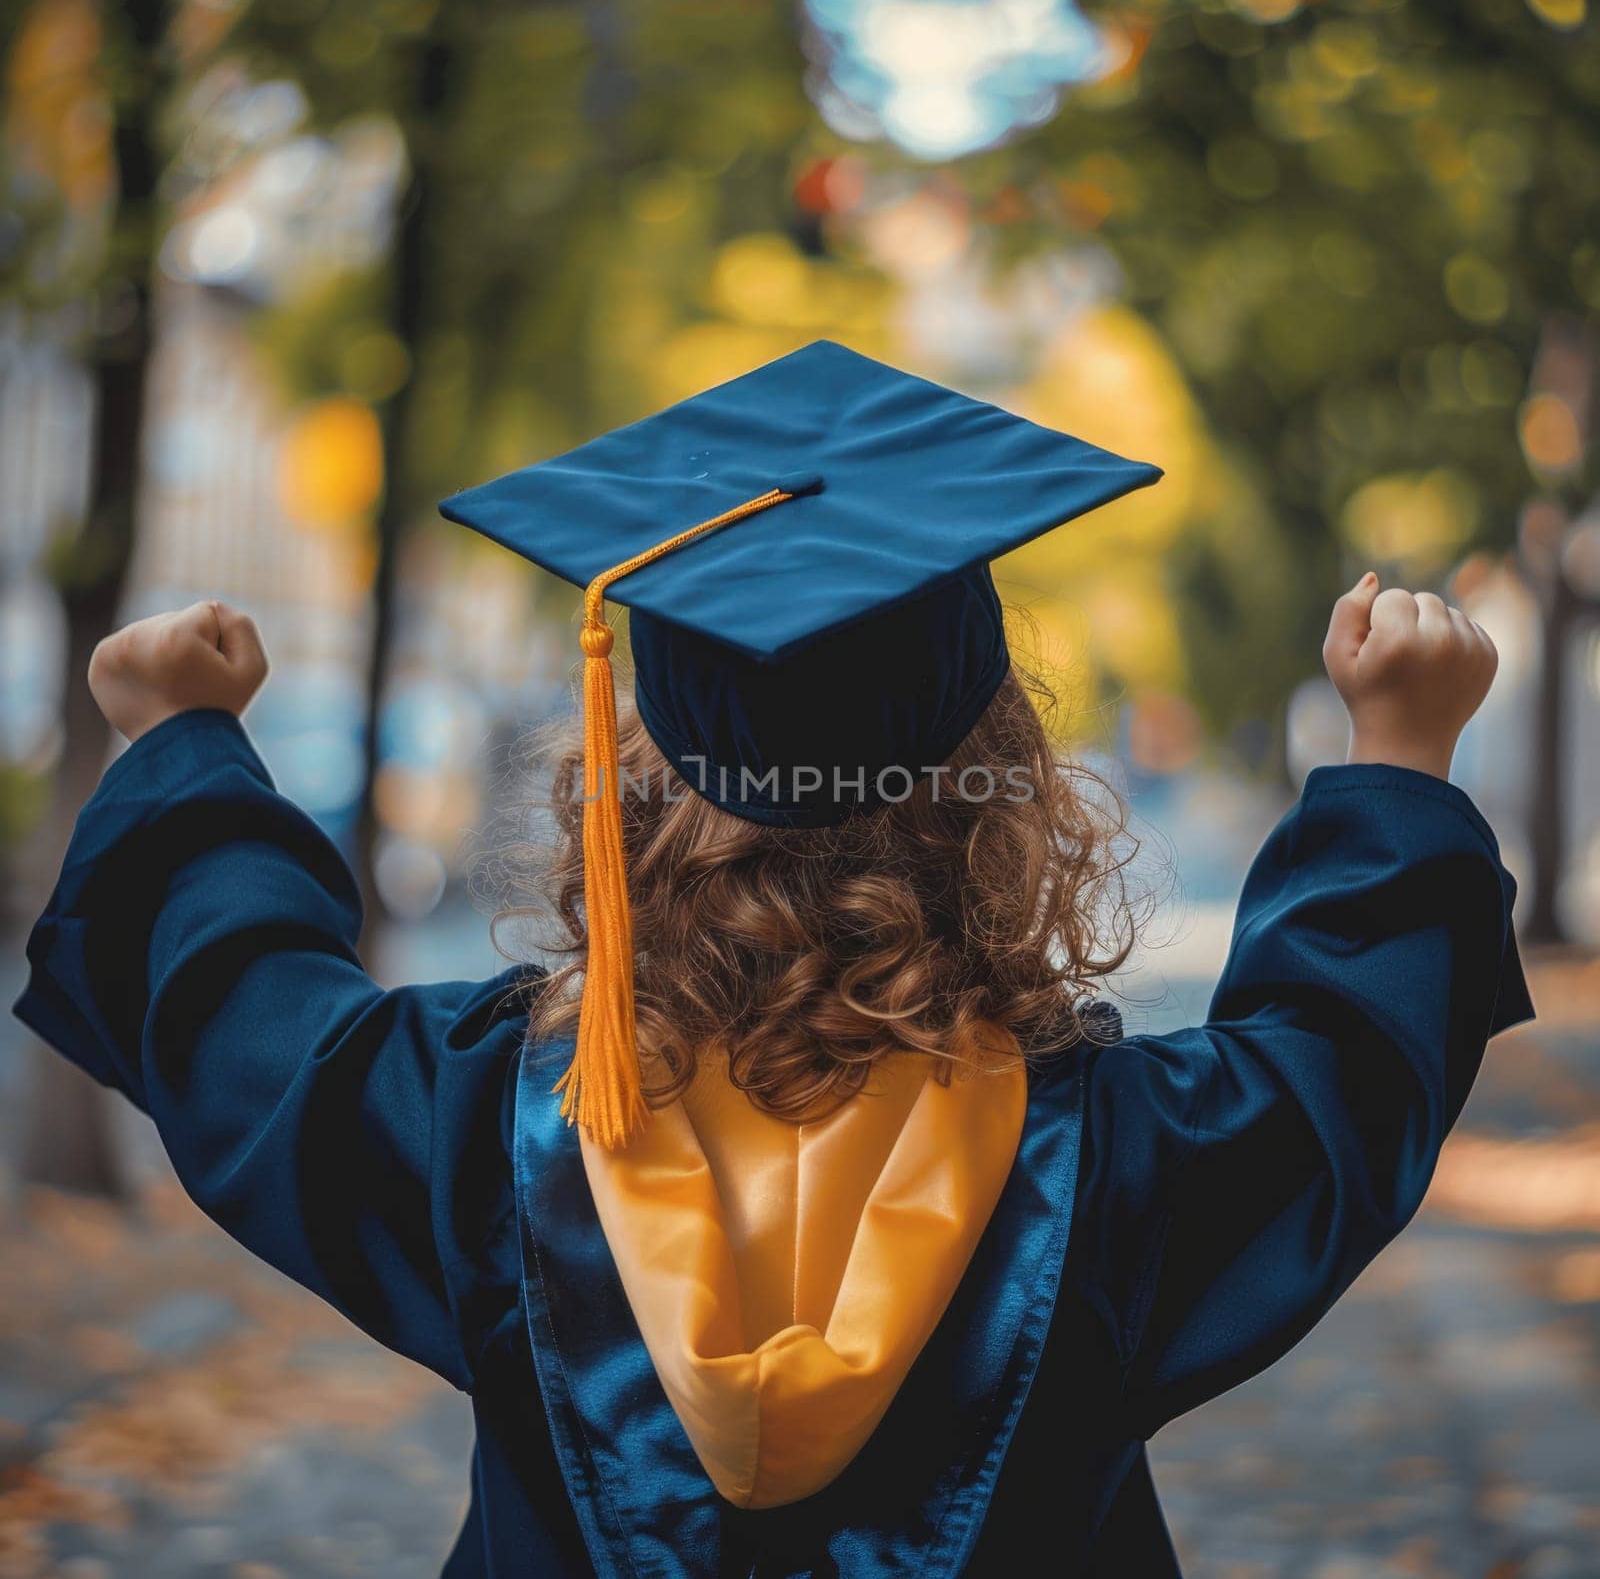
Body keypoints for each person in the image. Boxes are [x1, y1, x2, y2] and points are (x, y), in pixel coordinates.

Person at [16, 342, 1531, 1577]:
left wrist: (184, 743)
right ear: (998, 786)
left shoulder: (478, 1126)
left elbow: (245, 1020)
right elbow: (1341, 1067)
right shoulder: (1123, 1159)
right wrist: (1397, 757)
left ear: (628, 784)